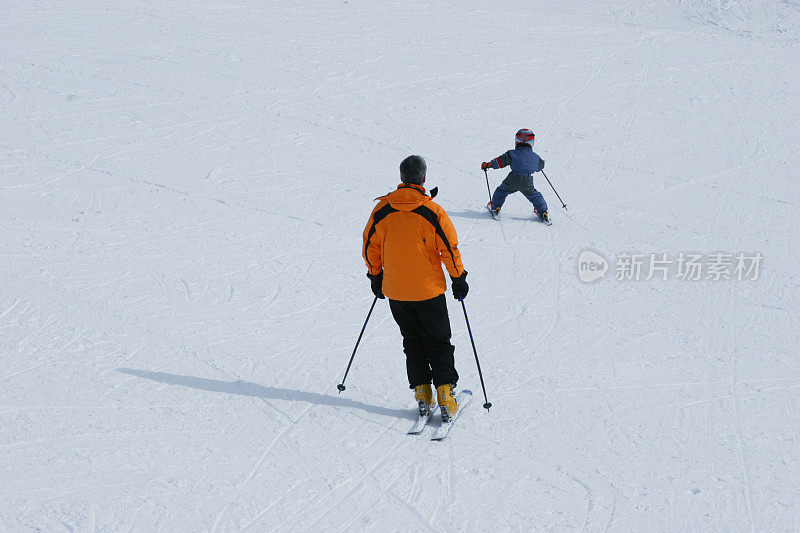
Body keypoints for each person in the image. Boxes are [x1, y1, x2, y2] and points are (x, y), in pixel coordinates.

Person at [362, 155, 469, 422]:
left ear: (402, 178)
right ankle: (445, 396)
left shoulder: (382, 210)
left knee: (412, 342)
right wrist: (458, 278)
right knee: (439, 342)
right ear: (423, 179)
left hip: (397, 291)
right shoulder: (432, 212)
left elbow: (369, 246)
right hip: (429, 291)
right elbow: (449, 248)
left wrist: (376, 276)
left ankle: (422, 394)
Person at [481, 128, 549, 222]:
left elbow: (500, 162)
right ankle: (543, 212)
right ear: (532, 142)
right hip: (527, 181)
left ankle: (495, 208)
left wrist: (488, 165)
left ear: (517, 141)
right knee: (534, 195)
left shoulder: (512, 153)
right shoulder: (536, 157)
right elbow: (540, 166)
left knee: (501, 191)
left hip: (513, 179)